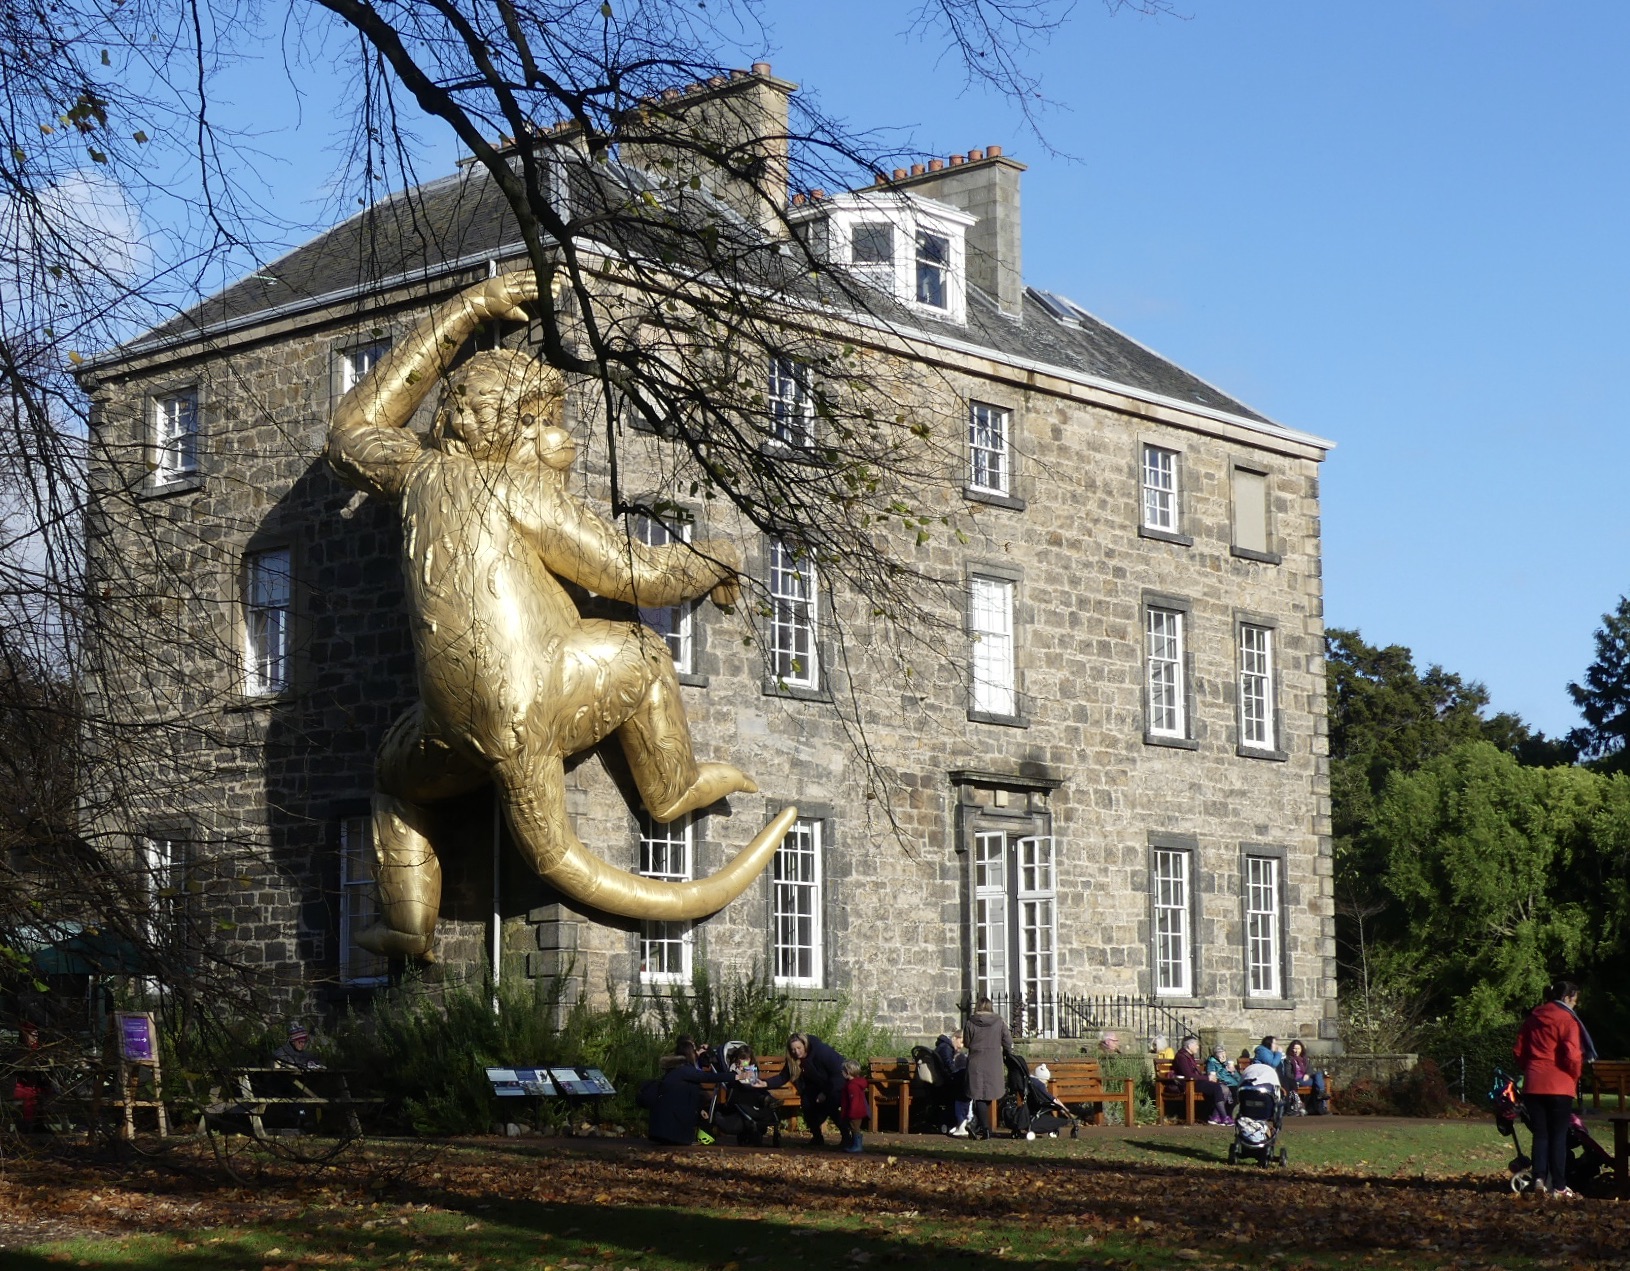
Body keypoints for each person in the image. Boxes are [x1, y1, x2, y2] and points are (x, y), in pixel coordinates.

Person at [327, 272, 791, 954]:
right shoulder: (520, 491)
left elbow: (351, 430)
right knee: (643, 649)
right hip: (542, 700)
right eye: (538, 424)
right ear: (485, 431)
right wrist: (717, 557)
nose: (559, 442)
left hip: (449, 726)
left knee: (393, 781)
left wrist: (465, 310)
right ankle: (671, 786)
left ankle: (409, 922)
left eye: (558, 422)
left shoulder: (417, 476)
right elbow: (644, 572)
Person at [1514, 980, 1590, 1199]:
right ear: (1567, 998)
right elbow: (1573, 1055)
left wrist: (1530, 1068)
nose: (1575, 1006)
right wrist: (1573, 1075)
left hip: (1534, 1082)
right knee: (1558, 1136)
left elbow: (1519, 1050)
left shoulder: (1533, 1019)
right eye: (1575, 1001)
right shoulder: (1568, 1020)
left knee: (1540, 1134)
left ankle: (1538, 1178)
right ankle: (1558, 1185)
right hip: (1560, 1084)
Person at [765, 1032, 851, 1148]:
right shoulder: (794, 1059)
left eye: (799, 1048)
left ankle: (846, 1136)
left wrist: (825, 1093)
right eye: (793, 1049)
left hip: (837, 1084)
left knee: (831, 1103)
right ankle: (817, 1137)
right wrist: (765, 1083)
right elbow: (783, 1077)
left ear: (804, 1044)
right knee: (806, 1102)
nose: (796, 1051)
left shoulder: (822, 1051)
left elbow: (839, 1073)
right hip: (817, 1087)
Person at [648, 1036, 716, 1146]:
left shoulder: (680, 1064)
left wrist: (708, 1051)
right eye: (693, 1048)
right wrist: (736, 1076)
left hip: (689, 1095)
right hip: (685, 1098)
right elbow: (702, 1077)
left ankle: (691, 1133)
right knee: (700, 1097)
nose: (696, 1050)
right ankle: (689, 1134)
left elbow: (708, 1063)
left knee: (700, 1097)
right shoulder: (684, 1067)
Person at [963, 997, 1014, 1140]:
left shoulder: (970, 1022)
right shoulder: (999, 1022)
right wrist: (1008, 1054)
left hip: (976, 1061)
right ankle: (981, 1127)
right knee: (989, 1094)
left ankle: (978, 1125)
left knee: (979, 1095)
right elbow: (1008, 1042)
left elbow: (967, 1042)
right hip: (993, 1062)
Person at [1166, 1035, 1231, 1125]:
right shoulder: (1181, 1057)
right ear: (1189, 1046)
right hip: (1188, 1084)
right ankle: (1224, 1117)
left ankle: (1215, 1117)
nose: (1198, 1047)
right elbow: (1188, 1075)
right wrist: (1207, 1078)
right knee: (1216, 1087)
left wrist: (1207, 1077)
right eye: (1196, 1045)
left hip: (1196, 1082)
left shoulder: (1189, 1055)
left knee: (1224, 1088)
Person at [936, 1028, 974, 1135]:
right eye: (961, 1042)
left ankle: (964, 1121)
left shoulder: (944, 1046)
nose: (962, 1046)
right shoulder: (946, 1048)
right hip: (946, 1084)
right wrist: (959, 1073)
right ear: (954, 1038)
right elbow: (949, 1066)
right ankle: (965, 1121)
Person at [1283, 1039, 1328, 1115]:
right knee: (1318, 1083)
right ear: (1291, 1049)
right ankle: (1321, 1093)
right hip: (1297, 1080)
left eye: (1298, 1049)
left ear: (1301, 1049)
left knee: (1318, 1074)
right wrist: (1296, 1078)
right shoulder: (1288, 1060)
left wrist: (1307, 1074)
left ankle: (1320, 1093)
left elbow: (1309, 1069)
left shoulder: (1305, 1059)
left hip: (1306, 1079)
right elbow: (1288, 1074)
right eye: (1294, 1048)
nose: (1296, 1051)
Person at [839, 1059, 869, 1153]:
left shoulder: (852, 1086)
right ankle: (854, 1144)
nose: (841, 1072)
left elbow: (854, 1100)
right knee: (853, 1128)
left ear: (848, 1072)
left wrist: (852, 1112)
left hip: (854, 1111)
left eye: (843, 1070)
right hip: (855, 1110)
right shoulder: (854, 1084)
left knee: (855, 1128)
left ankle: (857, 1145)